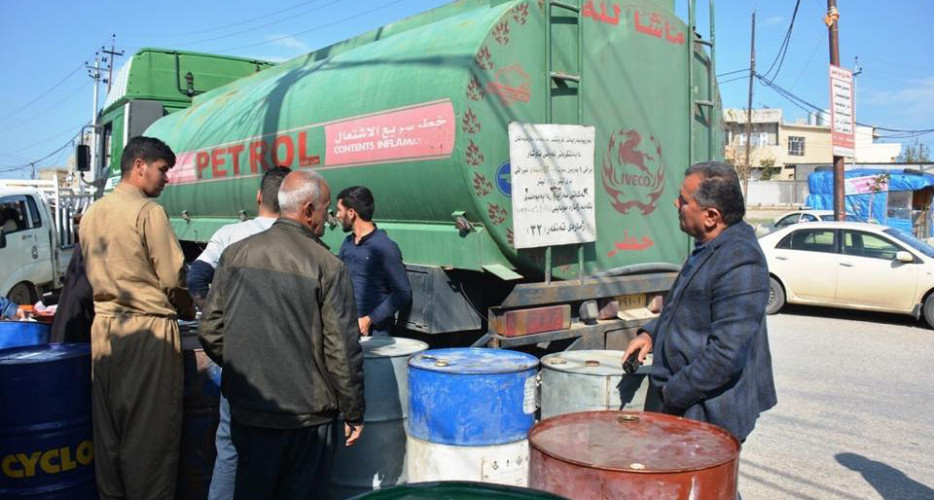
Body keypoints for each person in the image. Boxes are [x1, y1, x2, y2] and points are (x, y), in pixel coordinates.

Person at [199, 170, 365, 500]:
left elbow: (211, 330)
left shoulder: (235, 255)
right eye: (325, 209)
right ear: (308, 210)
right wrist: (354, 411)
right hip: (307, 419)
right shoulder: (328, 266)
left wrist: (244, 368)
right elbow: (341, 351)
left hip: (250, 409)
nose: (329, 218)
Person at [623, 161, 777, 443]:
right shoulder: (711, 246)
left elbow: (725, 355)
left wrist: (672, 393)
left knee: (692, 474)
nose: (676, 203)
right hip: (688, 406)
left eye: (683, 200)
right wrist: (651, 334)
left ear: (711, 216)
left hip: (708, 415)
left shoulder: (741, 260)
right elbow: (684, 308)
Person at [80, 136, 196, 500]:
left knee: (109, 435)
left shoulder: (92, 213)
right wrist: (188, 308)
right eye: (163, 170)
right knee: (150, 439)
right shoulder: (148, 212)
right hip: (148, 332)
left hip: (104, 329)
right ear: (140, 166)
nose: (166, 179)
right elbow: (173, 278)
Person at [187, 166, 291, 500]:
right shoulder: (302, 240)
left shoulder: (230, 234)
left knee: (231, 445)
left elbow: (195, 279)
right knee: (284, 448)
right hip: (285, 362)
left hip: (239, 356)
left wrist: (220, 323)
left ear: (259, 196)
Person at [335, 186, 412, 336]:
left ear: (351, 213)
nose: (337, 215)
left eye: (339, 210)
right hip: (347, 331)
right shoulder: (347, 243)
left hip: (375, 335)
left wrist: (369, 320)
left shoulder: (385, 247)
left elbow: (402, 292)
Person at [51, 214, 94, 343]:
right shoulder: (90, 249)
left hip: (70, 329)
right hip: (78, 334)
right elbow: (84, 291)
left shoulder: (85, 247)